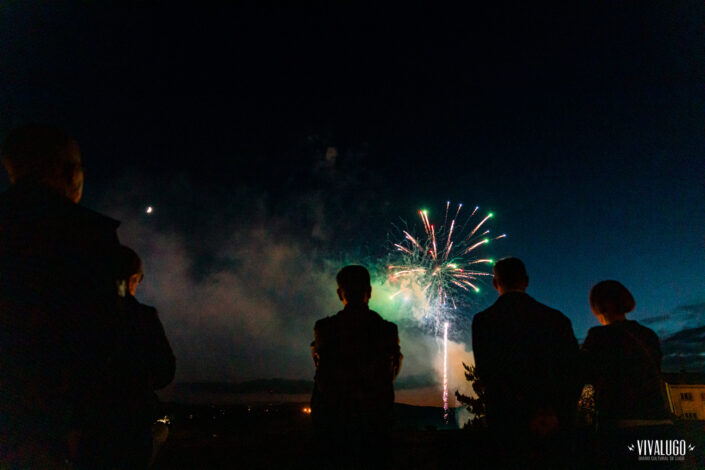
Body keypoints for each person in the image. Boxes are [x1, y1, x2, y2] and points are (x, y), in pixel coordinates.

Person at [0, 124, 122, 468]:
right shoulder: (86, 235)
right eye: (78, 166)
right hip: (54, 429)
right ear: (66, 170)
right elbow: (102, 340)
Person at [471, 257, 582, 467]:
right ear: (526, 281)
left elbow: (488, 374)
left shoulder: (484, 321)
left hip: (508, 424)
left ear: (496, 284)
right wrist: (554, 412)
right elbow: (573, 372)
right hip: (555, 425)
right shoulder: (557, 319)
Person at [80, 245, 176, 469]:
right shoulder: (143, 317)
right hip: (131, 425)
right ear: (133, 279)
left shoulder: (84, 316)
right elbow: (165, 372)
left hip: (90, 427)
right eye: (138, 279)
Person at [310, 265, 402, 469]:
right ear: (369, 292)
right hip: (376, 424)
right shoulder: (387, 330)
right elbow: (392, 372)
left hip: (334, 426)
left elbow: (321, 373)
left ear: (339, 293)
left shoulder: (324, 329)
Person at [582, 280, 677, 469]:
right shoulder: (648, 335)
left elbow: (584, 376)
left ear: (599, 305)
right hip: (661, 427)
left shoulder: (599, 336)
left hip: (622, 429)